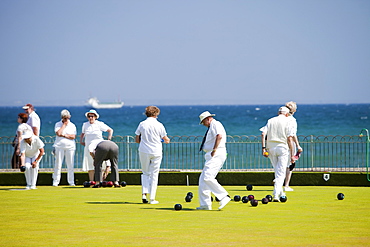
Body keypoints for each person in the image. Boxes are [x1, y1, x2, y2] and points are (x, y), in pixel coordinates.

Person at [135, 106, 170, 204]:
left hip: (144, 150)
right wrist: (163, 140)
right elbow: (166, 139)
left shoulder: (142, 124)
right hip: (156, 151)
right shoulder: (159, 125)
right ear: (156, 114)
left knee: (145, 173)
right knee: (154, 174)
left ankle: (144, 195)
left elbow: (137, 139)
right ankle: (152, 198)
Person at [260, 106, 295, 202]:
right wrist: (292, 154)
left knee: (277, 171)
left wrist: (263, 148)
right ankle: (276, 195)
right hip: (282, 148)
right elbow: (289, 139)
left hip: (271, 148)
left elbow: (263, 134)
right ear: (287, 114)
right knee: (281, 172)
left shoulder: (270, 120)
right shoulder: (288, 121)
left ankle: (280, 193)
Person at [197, 111, 230, 210]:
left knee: (208, 177)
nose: (203, 125)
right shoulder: (212, 126)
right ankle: (205, 204)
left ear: (207, 119)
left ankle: (224, 196)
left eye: (203, 122)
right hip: (212, 153)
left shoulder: (216, 124)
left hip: (216, 153)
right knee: (203, 180)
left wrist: (214, 149)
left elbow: (219, 136)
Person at [80, 109, 113, 181]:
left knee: (102, 163)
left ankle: (101, 180)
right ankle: (92, 181)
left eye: (92, 116)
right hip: (88, 147)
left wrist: (109, 138)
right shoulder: (85, 125)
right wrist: (81, 141)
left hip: (99, 146)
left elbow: (110, 130)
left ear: (95, 116)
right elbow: (82, 133)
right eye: (89, 116)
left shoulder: (99, 124)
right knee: (90, 165)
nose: (90, 118)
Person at [52, 109, 77, 187]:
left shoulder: (72, 125)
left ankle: (71, 181)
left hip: (70, 147)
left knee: (70, 164)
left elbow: (73, 136)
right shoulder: (58, 124)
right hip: (59, 146)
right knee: (58, 164)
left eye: (67, 118)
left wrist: (64, 135)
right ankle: (56, 181)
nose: (66, 119)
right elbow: (58, 133)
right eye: (64, 118)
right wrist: (64, 126)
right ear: (62, 117)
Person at [283, 101, 303, 192]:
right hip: (290, 144)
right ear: (294, 110)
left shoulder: (281, 119)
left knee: (281, 163)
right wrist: (298, 146)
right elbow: (292, 134)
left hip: (281, 143)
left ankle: (278, 180)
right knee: (290, 164)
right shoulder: (292, 120)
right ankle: (286, 185)